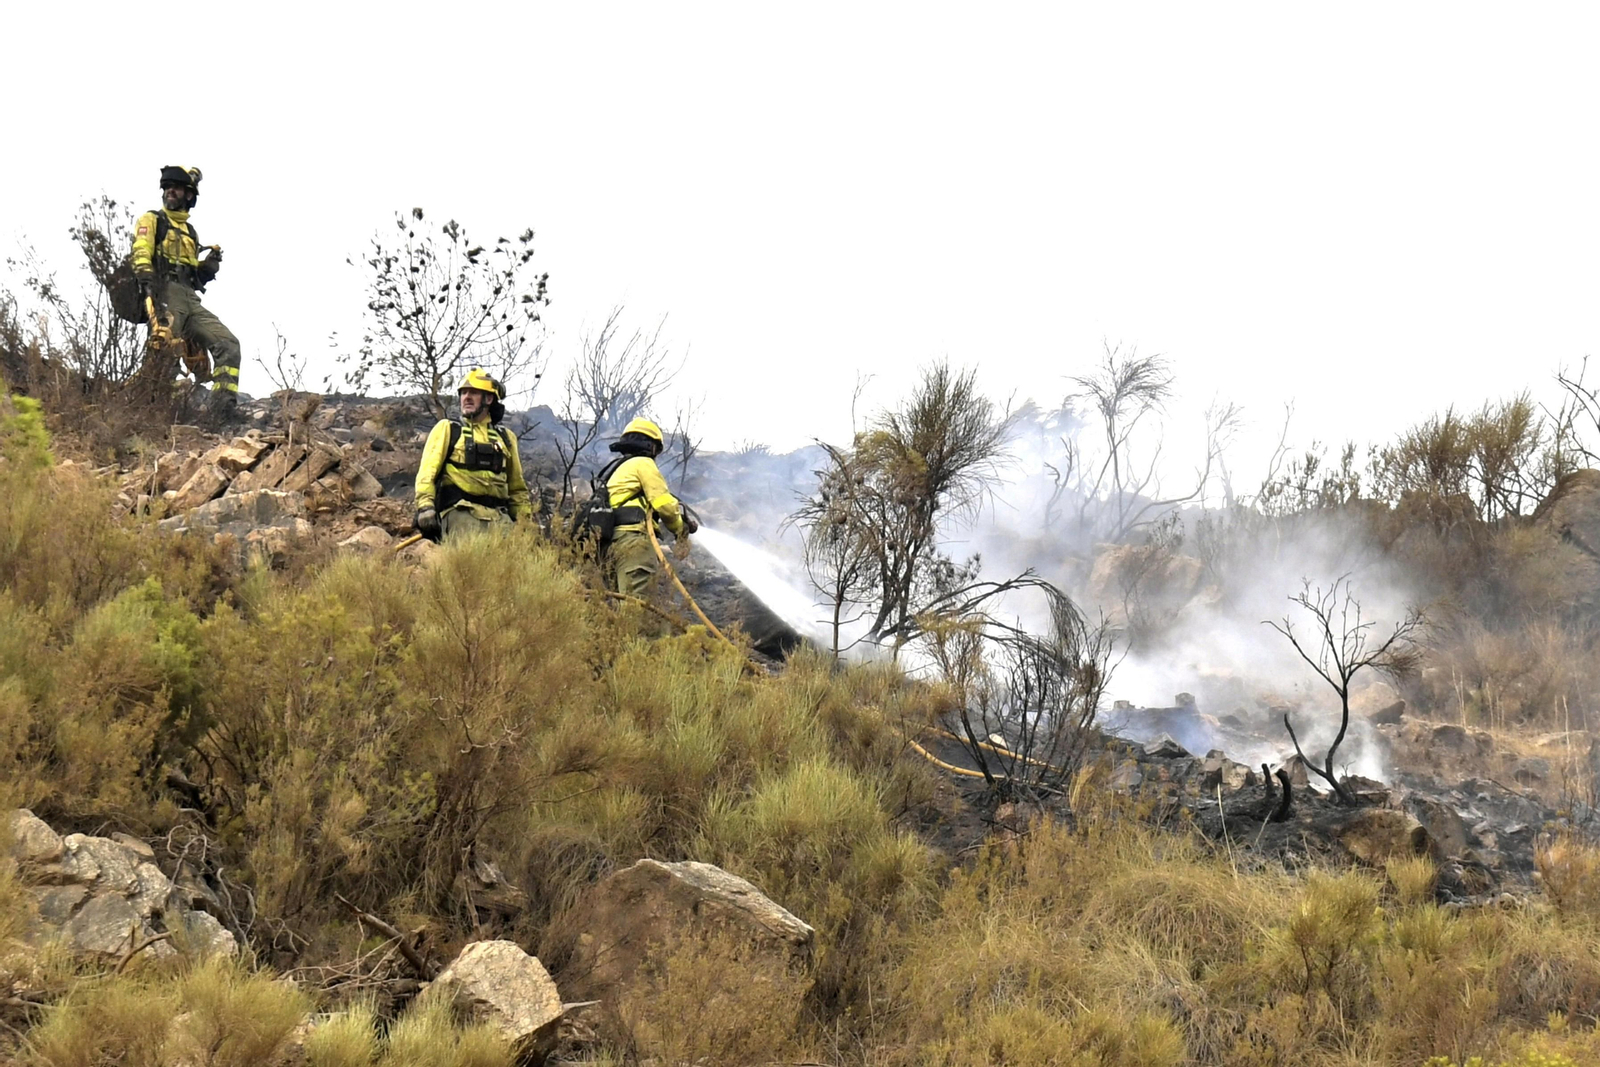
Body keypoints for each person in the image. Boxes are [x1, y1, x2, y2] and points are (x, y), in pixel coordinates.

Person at [130, 165, 242, 412]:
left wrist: (208, 268)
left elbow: (193, 275)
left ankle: (222, 410)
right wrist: (146, 278)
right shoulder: (152, 220)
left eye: (177, 188)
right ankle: (150, 408)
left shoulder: (191, 232)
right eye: (167, 187)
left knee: (228, 344)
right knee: (165, 346)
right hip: (165, 293)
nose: (170, 191)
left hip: (190, 298)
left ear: (189, 196)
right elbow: (140, 250)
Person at [413, 369, 533, 541]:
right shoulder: (448, 429)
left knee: (521, 560)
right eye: (463, 393)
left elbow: (517, 488)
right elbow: (427, 474)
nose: (466, 397)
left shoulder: (506, 438)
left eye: (474, 393)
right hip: (460, 514)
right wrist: (425, 507)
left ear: (489, 399)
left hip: (500, 519)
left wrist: (524, 522)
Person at [601, 417, 697, 596]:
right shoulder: (643, 464)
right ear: (650, 445)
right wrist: (680, 529)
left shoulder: (618, 469)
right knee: (639, 608)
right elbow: (665, 505)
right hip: (633, 540)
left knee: (626, 605)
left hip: (612, 543)